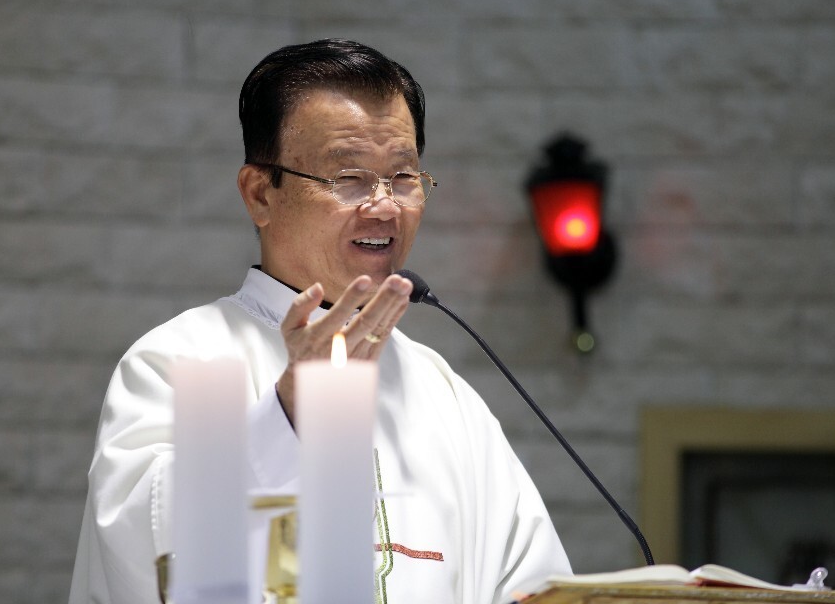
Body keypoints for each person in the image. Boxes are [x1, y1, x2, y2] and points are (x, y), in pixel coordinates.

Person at [69, 38, 571, 604]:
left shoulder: (445, 396)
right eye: (348, 178)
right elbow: (173, 569)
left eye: (403, 176)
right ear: (260, 194)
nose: (384, 207)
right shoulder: (194, 362)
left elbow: (532, 584)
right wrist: (287, 417)